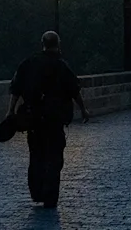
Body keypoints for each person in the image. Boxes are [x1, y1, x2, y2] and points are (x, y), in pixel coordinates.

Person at [7, 31, 90, 209]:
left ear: (42, 43)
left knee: (36, 155)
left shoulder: (28, 64)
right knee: (54, 157)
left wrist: (10, 111)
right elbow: (75, 91)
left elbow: (16, 89)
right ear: (58, 44)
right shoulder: (62, 66)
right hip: (55, 119)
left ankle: (37, 192)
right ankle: (50, 195)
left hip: (34, 119)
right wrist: (83, 110)